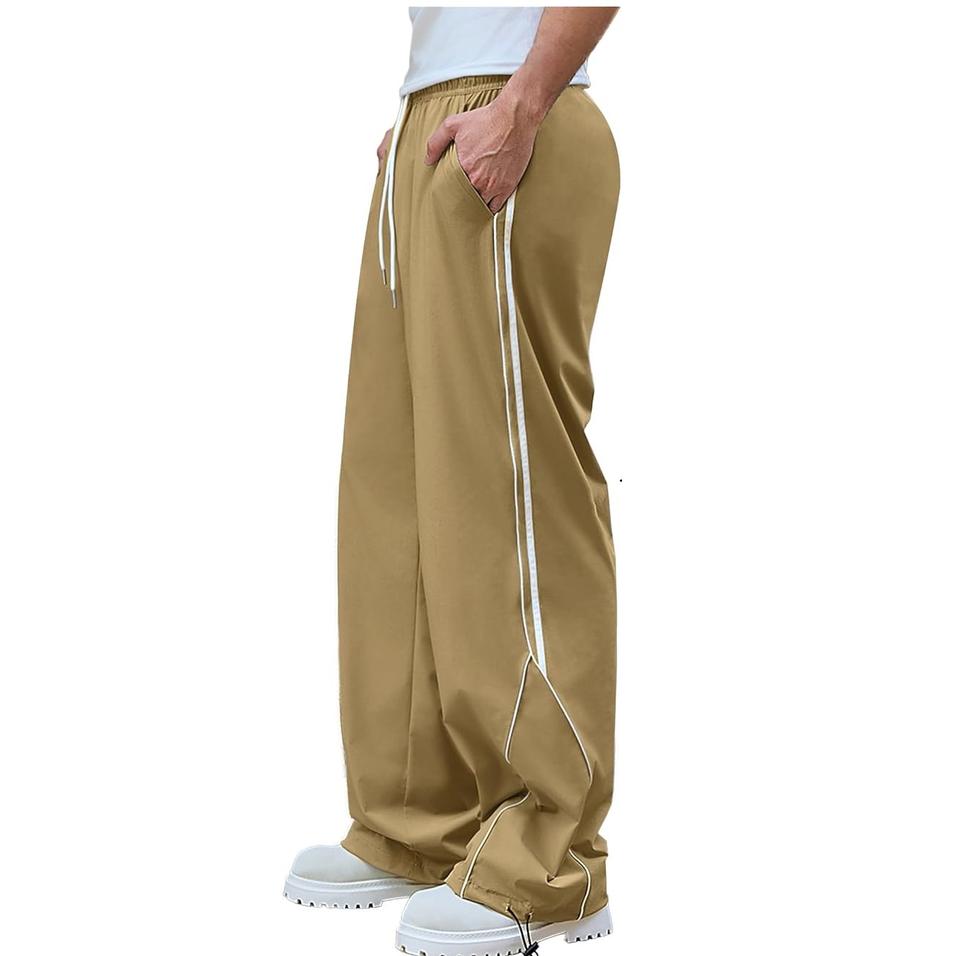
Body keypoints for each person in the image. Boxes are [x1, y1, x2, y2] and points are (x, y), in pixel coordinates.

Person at [285, 7, 620, 954]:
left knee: (510, 490)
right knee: (398, 493)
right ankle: (419, 823)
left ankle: (550, 859)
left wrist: (522, 104)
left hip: (519, 112)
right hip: (436, 119)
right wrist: (422, 103)